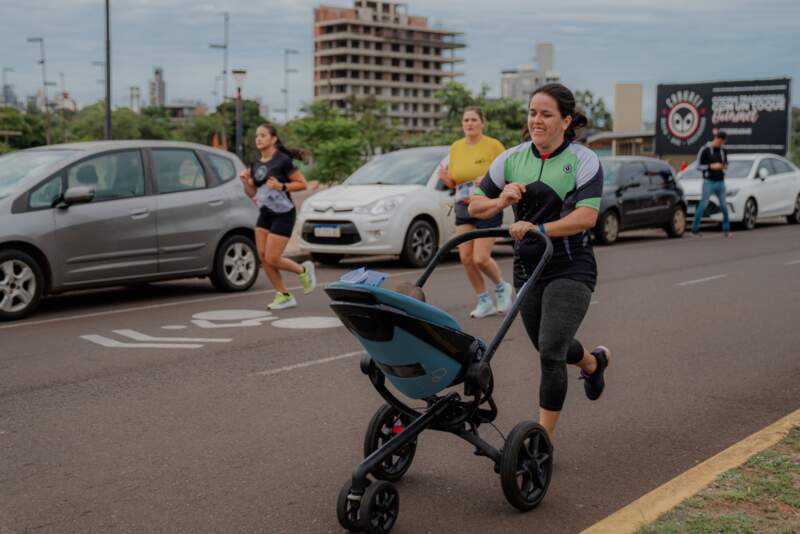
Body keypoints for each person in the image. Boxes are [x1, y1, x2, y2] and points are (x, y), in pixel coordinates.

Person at [468, 83, 611, 439]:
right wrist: (502, 201)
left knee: (550, 351)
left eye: (546, 114)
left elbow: (586, 218)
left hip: (570, 266)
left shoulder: (582, 159)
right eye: (533, 112)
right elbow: (474, 205)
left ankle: (542, 441)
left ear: (565, 121)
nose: (536, 120)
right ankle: (592, 363)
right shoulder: (512, 159)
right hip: (528, 270)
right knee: (551, 345)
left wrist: (537, 227)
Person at [437, 106, 513, 318]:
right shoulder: (456, 147)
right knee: (466, 258)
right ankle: (483, 300)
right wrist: (447, 180)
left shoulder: (493, 145)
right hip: (462, 204)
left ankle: (501, 287)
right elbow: (455, 180)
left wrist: (488, 181)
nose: (469, 123)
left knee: (480, 258)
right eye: (466, 120)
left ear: (482, 123)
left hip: (487, 203)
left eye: (473, 120)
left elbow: (509, 172)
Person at [240, 123, 316, 309]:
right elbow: (252, 193)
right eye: (257, 135)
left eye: (263, 135)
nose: (258, 138)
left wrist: (281, 186)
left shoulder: (282, 161)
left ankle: (303, 270)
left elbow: (302, 184)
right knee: (264, 257)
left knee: (273, 258)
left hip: (283, 214)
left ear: (273, 139)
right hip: (265, 214)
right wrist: (246, 182)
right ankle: (284, 295)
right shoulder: (255, 162)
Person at [691, 130, 730, 236]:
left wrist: (723, 166)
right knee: (703, 205)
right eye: (722, 142)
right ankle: (695, 229)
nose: (722, 144)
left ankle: (726, 229)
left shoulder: (723, 151)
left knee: (723, 206)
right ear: (719, 139)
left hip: (721, 181)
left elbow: (726, 163)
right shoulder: (705, 150)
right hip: (709, 182)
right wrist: (711, 166)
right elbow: (697, 166)